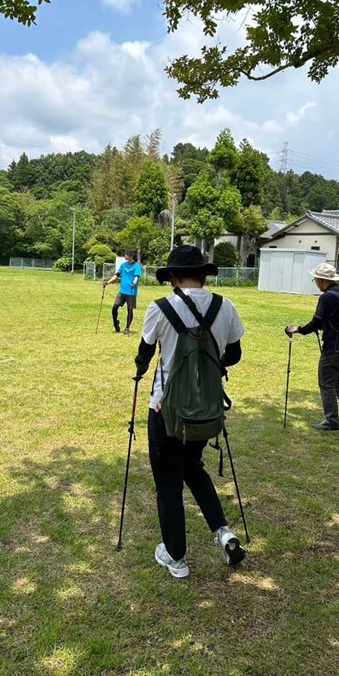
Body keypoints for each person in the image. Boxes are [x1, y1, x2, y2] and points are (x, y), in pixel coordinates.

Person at [134, 245, 246, 579]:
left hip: (165, 409)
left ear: (172, 278)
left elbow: (144, 352)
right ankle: (223, 532)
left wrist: (140, 371)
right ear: (203, 274)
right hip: (206, 410)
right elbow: (235, 354)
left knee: (168, 481)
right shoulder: (224, 306)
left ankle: (176, 556)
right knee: (193, 467)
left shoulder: (160, 308)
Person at [285, 262, 339, 431]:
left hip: (333, 348)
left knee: (326, 383)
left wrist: (298, 330)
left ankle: (332, 421)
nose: (316, 283)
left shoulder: (326, 297)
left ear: (321, 281)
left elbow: (316, 322)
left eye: (315, 280)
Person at [103, 249, 142, 336]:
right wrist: (108, 282)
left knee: (130, 310)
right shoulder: (123, 265)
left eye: (126, 254)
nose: (125, 256)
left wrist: (134, 283)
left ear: (131, 256)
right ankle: (116, 323)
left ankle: (127, 328)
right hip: (122, 291)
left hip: (131, 292)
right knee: (114, 307)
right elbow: (117, 275)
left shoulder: (137, 266)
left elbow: (137, 276)